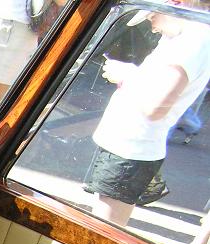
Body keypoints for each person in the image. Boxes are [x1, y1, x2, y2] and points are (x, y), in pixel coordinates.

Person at [87, 4, 210, 226]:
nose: (152, 27)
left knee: (102, 230)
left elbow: (156, 108)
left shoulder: (194, 42)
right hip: (128, 148)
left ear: (175, 4)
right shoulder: (185, 39)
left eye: (152, 16)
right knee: (100, 226)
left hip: (131, 151)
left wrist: (127, 76)